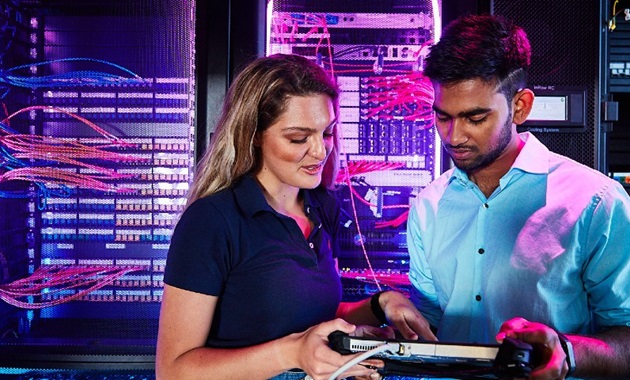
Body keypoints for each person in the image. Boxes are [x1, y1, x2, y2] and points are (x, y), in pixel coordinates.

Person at [156, 53, 436, 380]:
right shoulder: (212, 221)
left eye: (327, 132)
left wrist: (380, 306)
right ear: (254, 135)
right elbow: (173, 371)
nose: (320, 150)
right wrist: (292, 352)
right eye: (299, 138)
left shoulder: (322, 208)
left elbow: (310, 314)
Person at [406, 13, 630, 379]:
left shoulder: (595, 202)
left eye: (475, 118)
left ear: (521, 106)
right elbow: (428, 322)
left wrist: (568, 354)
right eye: (442, 117)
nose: (453, 136)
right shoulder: (428, 205)